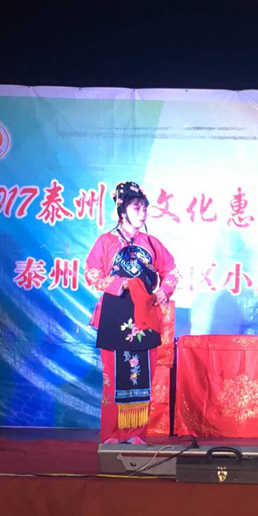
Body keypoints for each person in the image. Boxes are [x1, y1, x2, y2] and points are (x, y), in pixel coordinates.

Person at [85, 181, 178, 445]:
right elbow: (92, 272)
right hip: (115, 311)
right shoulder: (106, 241)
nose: (142, 213)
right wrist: (120, 284)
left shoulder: (151, 243)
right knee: (114, 377)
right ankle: (112, 433)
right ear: (122, 210)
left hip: (144, 313)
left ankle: (136, 432)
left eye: (144, 208)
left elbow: (172, 270)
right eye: (136, 208)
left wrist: (164, 291)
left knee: (142, 374)